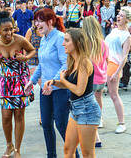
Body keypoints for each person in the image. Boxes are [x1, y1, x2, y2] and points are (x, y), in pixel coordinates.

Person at [24, 8, 78, 158]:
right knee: (46, 124)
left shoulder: (60, 37)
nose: (37, 24)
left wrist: (52, 82)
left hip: (59, 89)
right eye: (35, 21)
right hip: (45, 89)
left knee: (61, 125)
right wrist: (32, 81)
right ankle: (51, 155)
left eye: (40, 20)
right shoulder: (44, 39)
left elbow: (65, 65)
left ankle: (75, 155)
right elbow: (41, 64)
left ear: (50, 21)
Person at [43, 28, 101, 157]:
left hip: (88, 109)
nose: (63, 43)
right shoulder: (72, 61)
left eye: (67, 40)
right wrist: (54, 82)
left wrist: (62, 78)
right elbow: (68, 85)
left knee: (87, 153)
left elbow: (79, 90)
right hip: (76, 109)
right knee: (68, 149)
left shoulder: (84, 62)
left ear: (78, 43)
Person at [0, 11, 35, 158]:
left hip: (20, 80)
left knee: (19, 115)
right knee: (6, 116)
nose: (9, 32)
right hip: (4, 83)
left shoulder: (19, 40)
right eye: (5, 30)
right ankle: (9, 146)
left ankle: (18, 149)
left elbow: (32, 50)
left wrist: (25, 57)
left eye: (11, 28)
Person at [83, 16, 109, 147]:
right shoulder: (103, 42)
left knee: (89, 105)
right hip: (102, 78)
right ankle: (100, 119)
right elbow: (107, 60)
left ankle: (95, 134)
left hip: (91, 79)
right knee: (98, 99)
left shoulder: (86, 43)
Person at [105, 6, 131, 133]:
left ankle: (121, 123)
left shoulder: (126, 35)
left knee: (113, 94)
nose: (118, 17)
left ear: (127, 19)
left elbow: (124, 56)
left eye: (121, 16)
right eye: (118, 15)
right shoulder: (114, 30)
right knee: (97, 92)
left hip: (114, 64)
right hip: (104, 63)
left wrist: (116, 73)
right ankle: (98, 119)